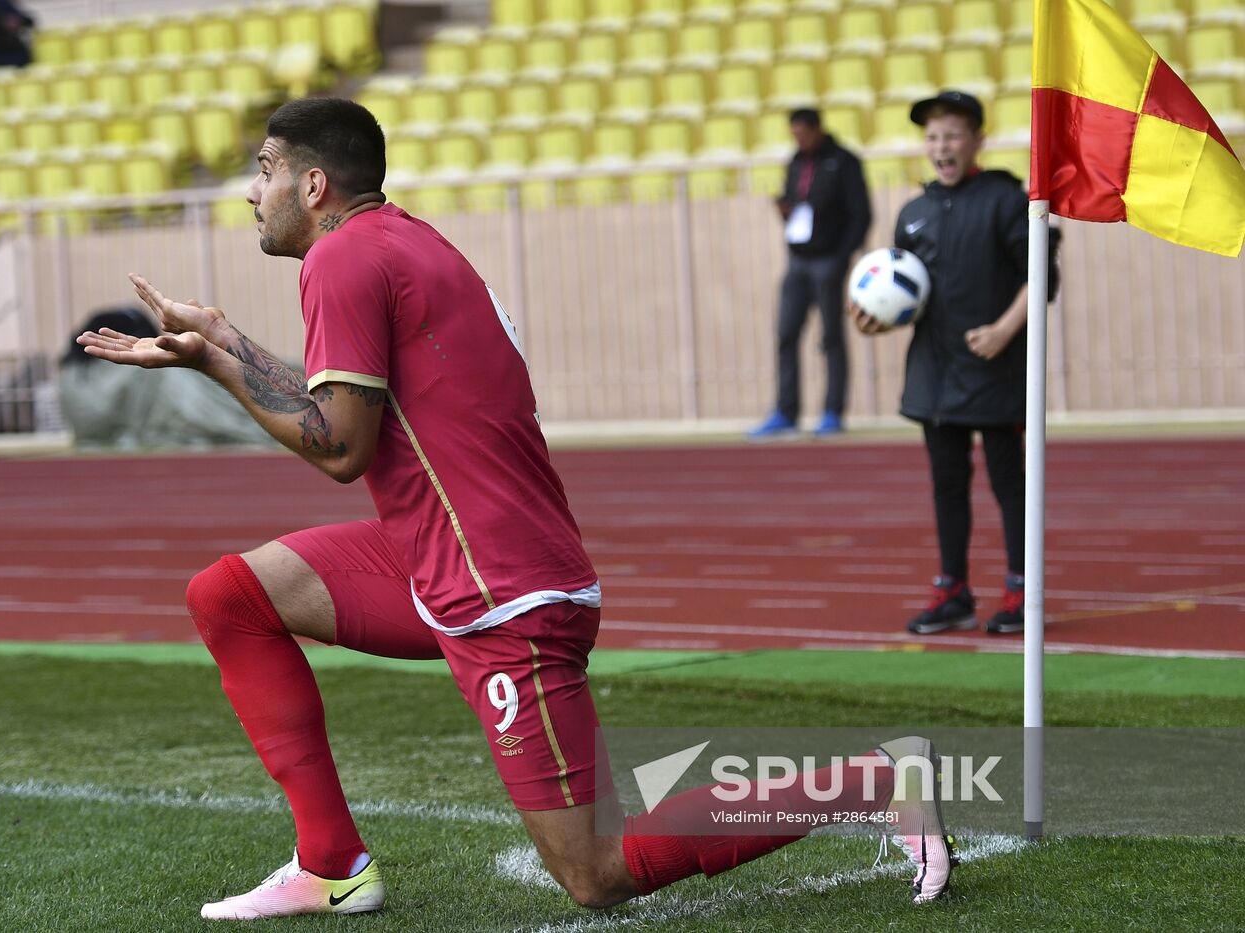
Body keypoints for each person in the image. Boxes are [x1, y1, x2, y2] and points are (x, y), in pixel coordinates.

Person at [78, 97, 955, 921]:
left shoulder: (342, 258)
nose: (250, 190)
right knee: (230, 594)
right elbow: (351, 411)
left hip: (502, 595)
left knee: (595, 872)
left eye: (264, 168)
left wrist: (220, 369)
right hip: (454, 561)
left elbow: (341, 449)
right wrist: (226, 340)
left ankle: (876, 778)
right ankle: (332, 867)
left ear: (314, 186)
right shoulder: (400, 240)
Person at [850, 90, 1042, 637]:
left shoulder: (1007, 200)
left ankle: (1022, 591)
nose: (942, 146)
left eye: (953, 134)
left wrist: (1005, 330)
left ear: (977, 139)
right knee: (946, 485)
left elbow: (1042, 277)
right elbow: (904, 297)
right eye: (933, 137)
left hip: (995, 368)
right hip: (935, 376)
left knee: (1010, 483)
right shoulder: (914, 214)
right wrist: (875, 319)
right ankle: (953, 591)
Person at [751, 108, 871, 439]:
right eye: (794, 135)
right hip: (798, 260)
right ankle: (785, 412)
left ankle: (833, 411)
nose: (799, 140)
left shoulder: (844, 162)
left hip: (828, 260)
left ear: (817, 129)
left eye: (803, 133)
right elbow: (795, 204)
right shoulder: (795, 161)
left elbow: (861, 214)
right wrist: (785, 211)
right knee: (786, 334)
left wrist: (841, 255)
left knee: (831, 336)